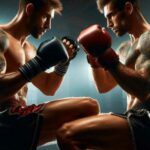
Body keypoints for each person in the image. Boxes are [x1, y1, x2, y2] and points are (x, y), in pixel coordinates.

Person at [0, 0, 100, 150]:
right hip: (4, 121)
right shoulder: (2, 38)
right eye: (46, 17)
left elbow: (48, 87)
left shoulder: (29, 49)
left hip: (19, 120)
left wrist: (63, 63)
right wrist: (40, 63)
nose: (49, 25)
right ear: (29, 9)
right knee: (88, 107)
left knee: (87, 113)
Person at [56, 0, 150, 150]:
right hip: (132, 120)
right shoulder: (124, 49)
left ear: (128, 8)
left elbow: (144, 90)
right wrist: (94, 60)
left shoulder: (148, 39)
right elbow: (103, 86)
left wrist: (107, 58)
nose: (109, 24)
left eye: (111, 15)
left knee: (67, 134)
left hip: (146, 121)